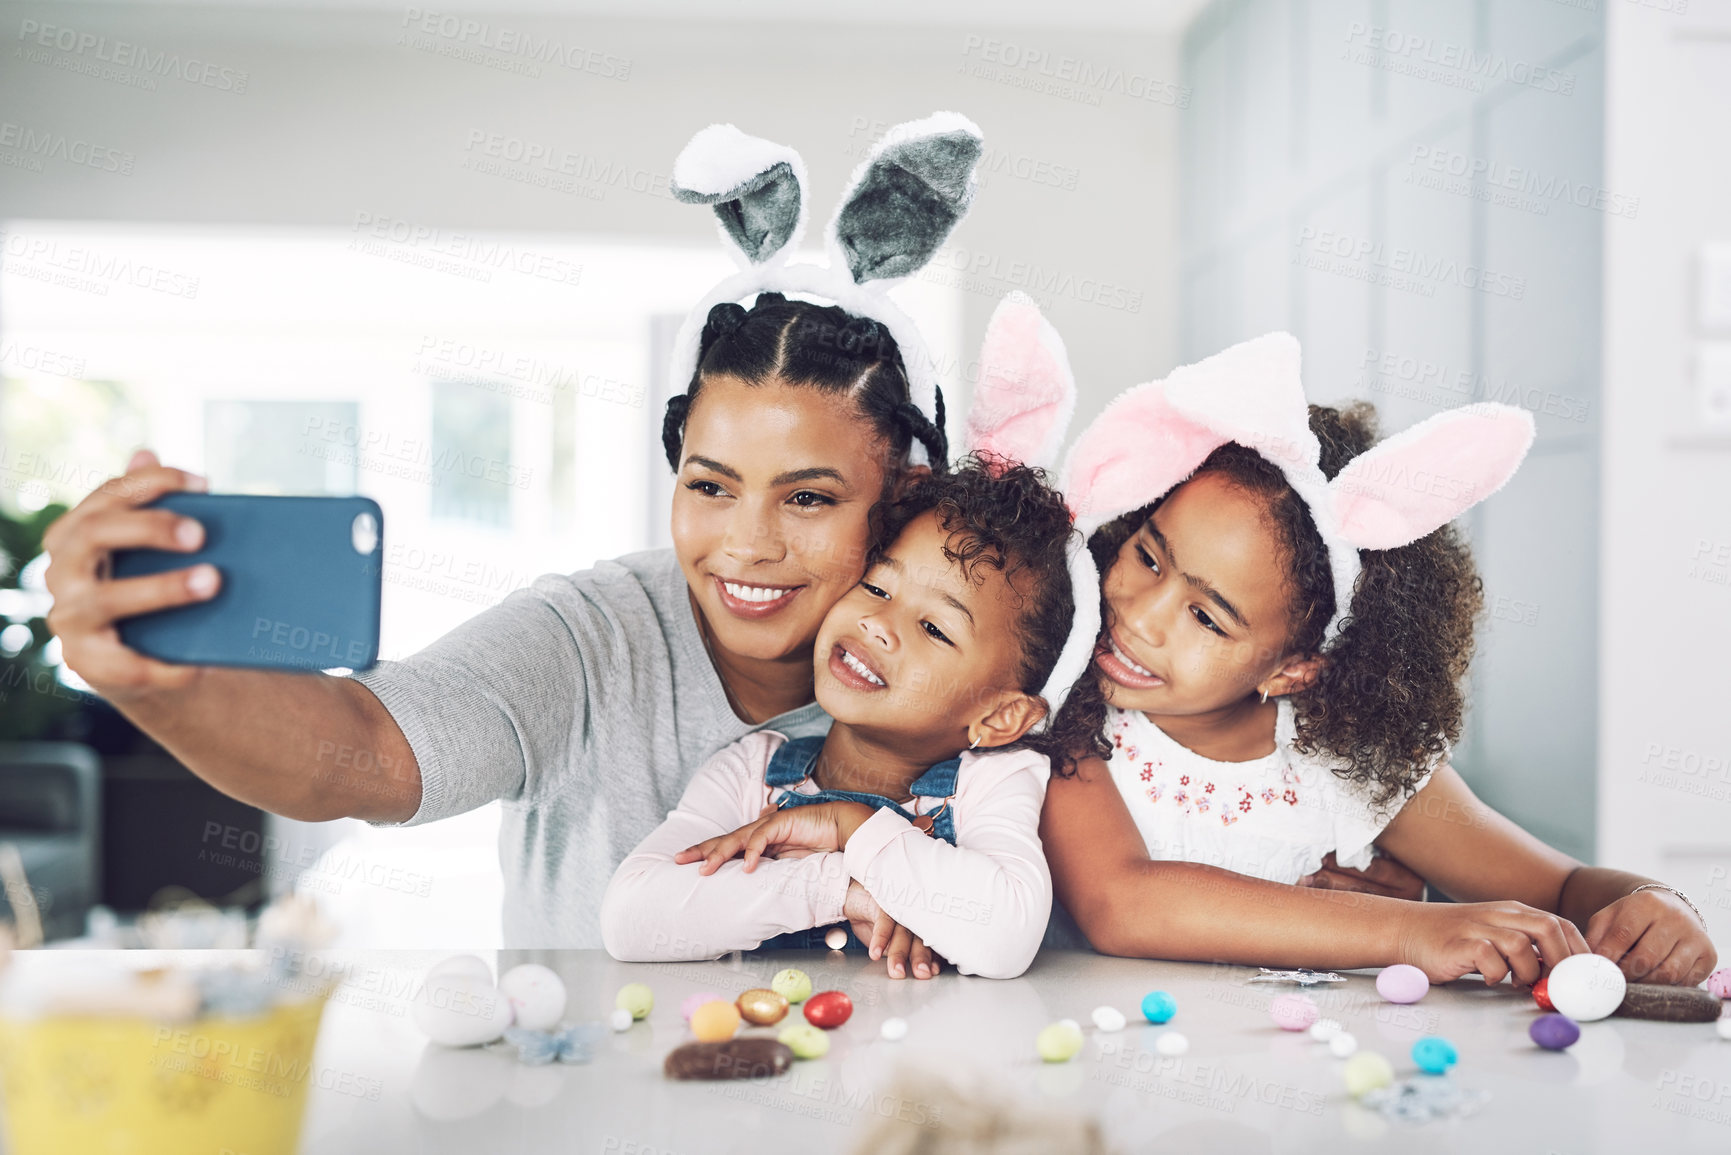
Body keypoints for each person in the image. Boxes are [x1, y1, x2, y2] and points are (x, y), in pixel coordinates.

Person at [41, 114, 979, 949]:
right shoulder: (587, 637)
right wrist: (162, 684)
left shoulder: (973, 661)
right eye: (711, 485)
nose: (747, 543)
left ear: (900, 493)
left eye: (808, 498)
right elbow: (358, 752)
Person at [1041, 333, 1718, 987]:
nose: (1139, 614)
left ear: (1294, 669)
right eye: (1148, 555)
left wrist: (1652, 903)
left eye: (1205, 617)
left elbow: (1564, 886)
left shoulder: (1351, 761)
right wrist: (1407, 929)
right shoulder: (1066, 707)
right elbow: (1120, 902)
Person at [602, 459, 1076, 980]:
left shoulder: (991, 783)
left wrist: (849, 827)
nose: (878, 624)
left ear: (1001, 715)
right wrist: (839, 890)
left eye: (934, 628)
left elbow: (1005, 938)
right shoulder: (750, 772)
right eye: (876, 588)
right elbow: (630, 918)